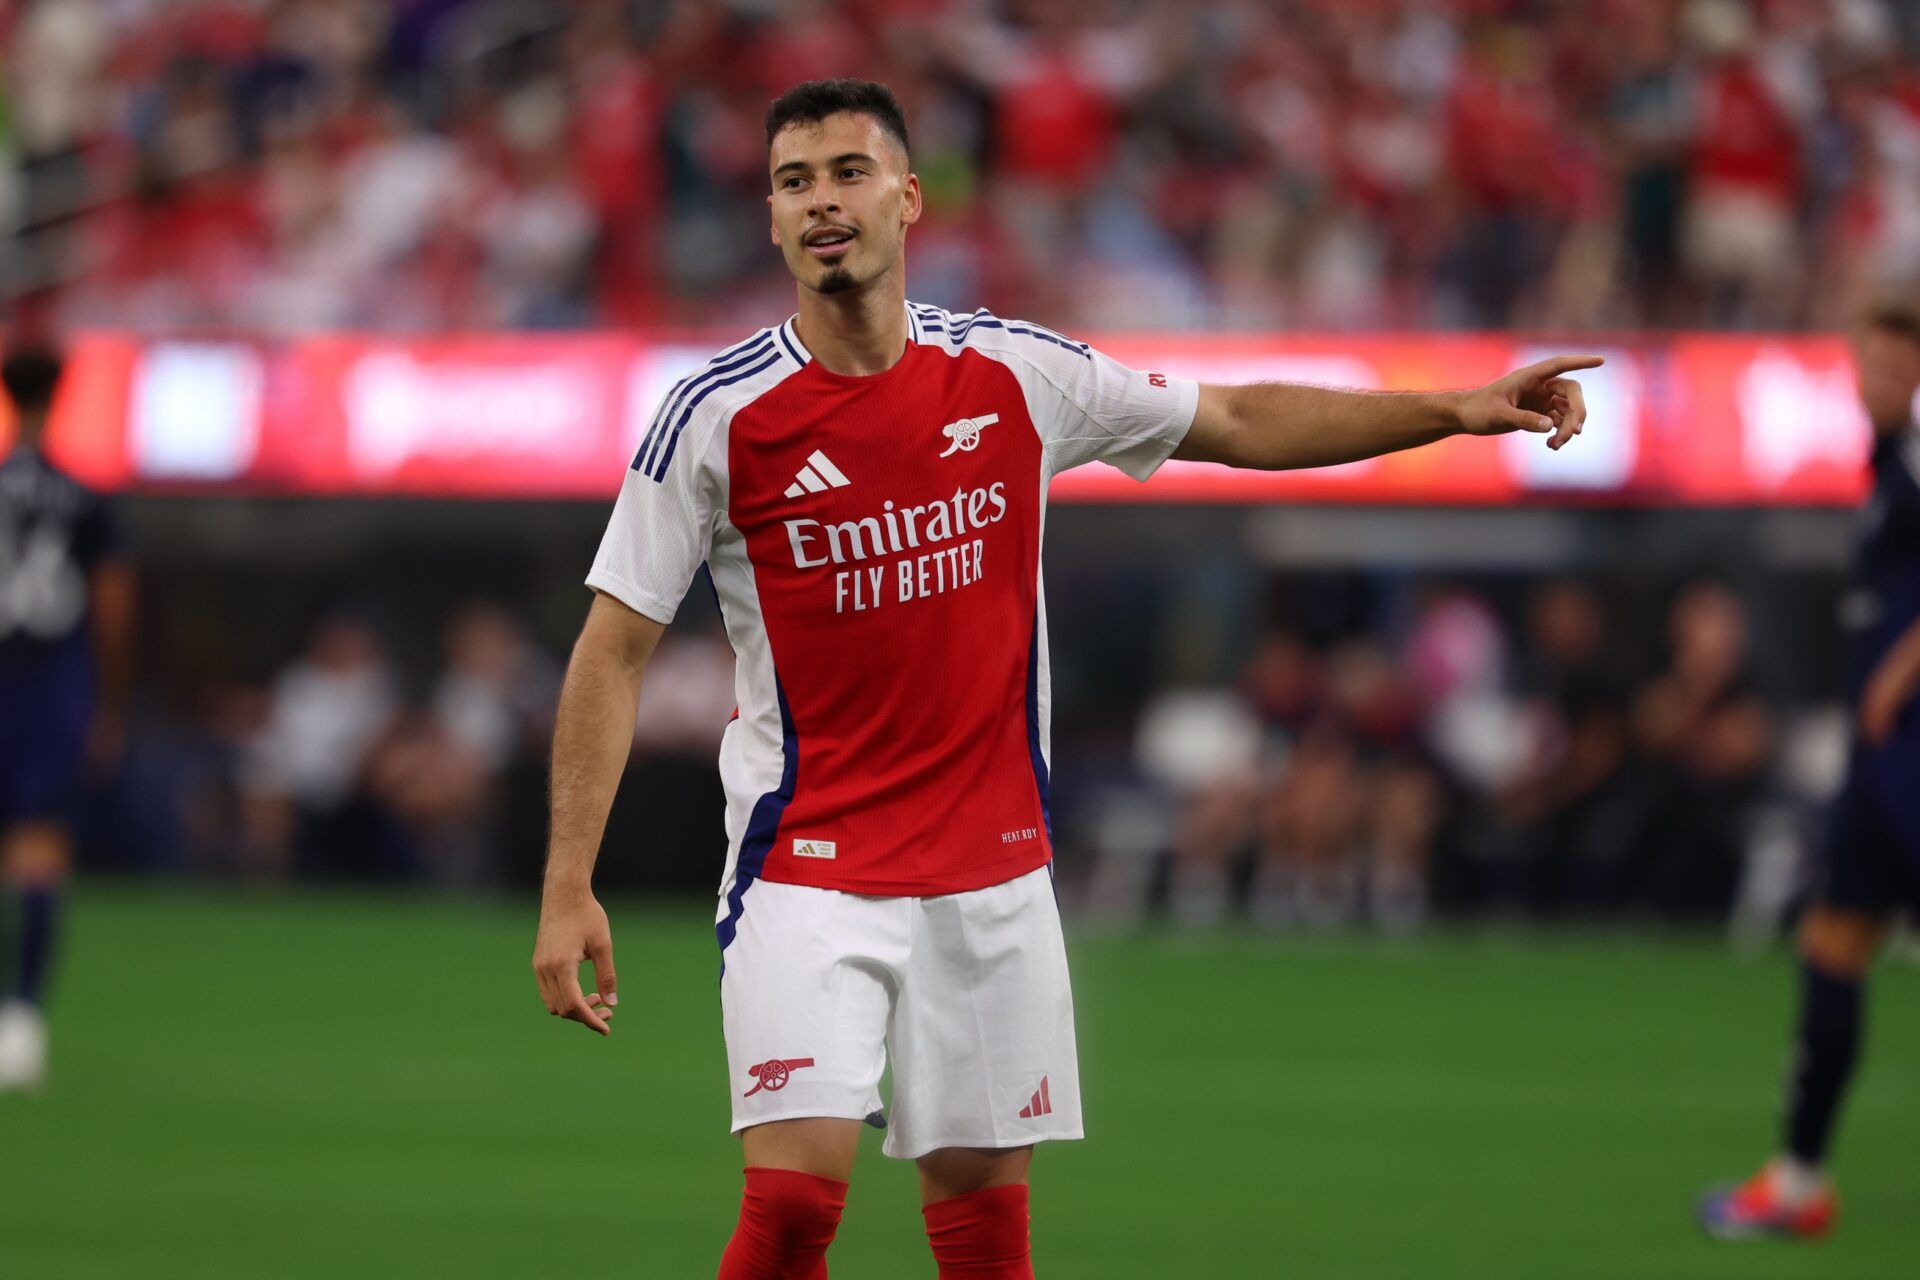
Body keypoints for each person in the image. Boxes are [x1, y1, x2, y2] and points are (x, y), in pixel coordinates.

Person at [530, 78, 1597, 1278]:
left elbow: (1238, 418)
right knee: (789, 1210)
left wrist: (1451, 409)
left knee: (988, 1236)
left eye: (845, 172)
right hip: (808, 865)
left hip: (994, 873)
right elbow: (611, 646)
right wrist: (569, 880)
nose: (821, 201)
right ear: (772, 223)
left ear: (907, 198)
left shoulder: (1012, 372)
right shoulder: (714, 417)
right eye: (793, 182)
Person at [1700, 300, 1920, 1240]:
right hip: (1880, 756)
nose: (1868, 382)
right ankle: (1797, 1182)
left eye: (1887, 367)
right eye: (1863, 366)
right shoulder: (1885, 465)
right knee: (1832, 940)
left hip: (1911, 740)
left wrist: (1900, 676)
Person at [0, 342, 133, 1091]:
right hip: (49, 684)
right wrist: (107, 702)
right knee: (40, 850)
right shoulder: (85, 500)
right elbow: (112, 606)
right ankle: (20, 1020)